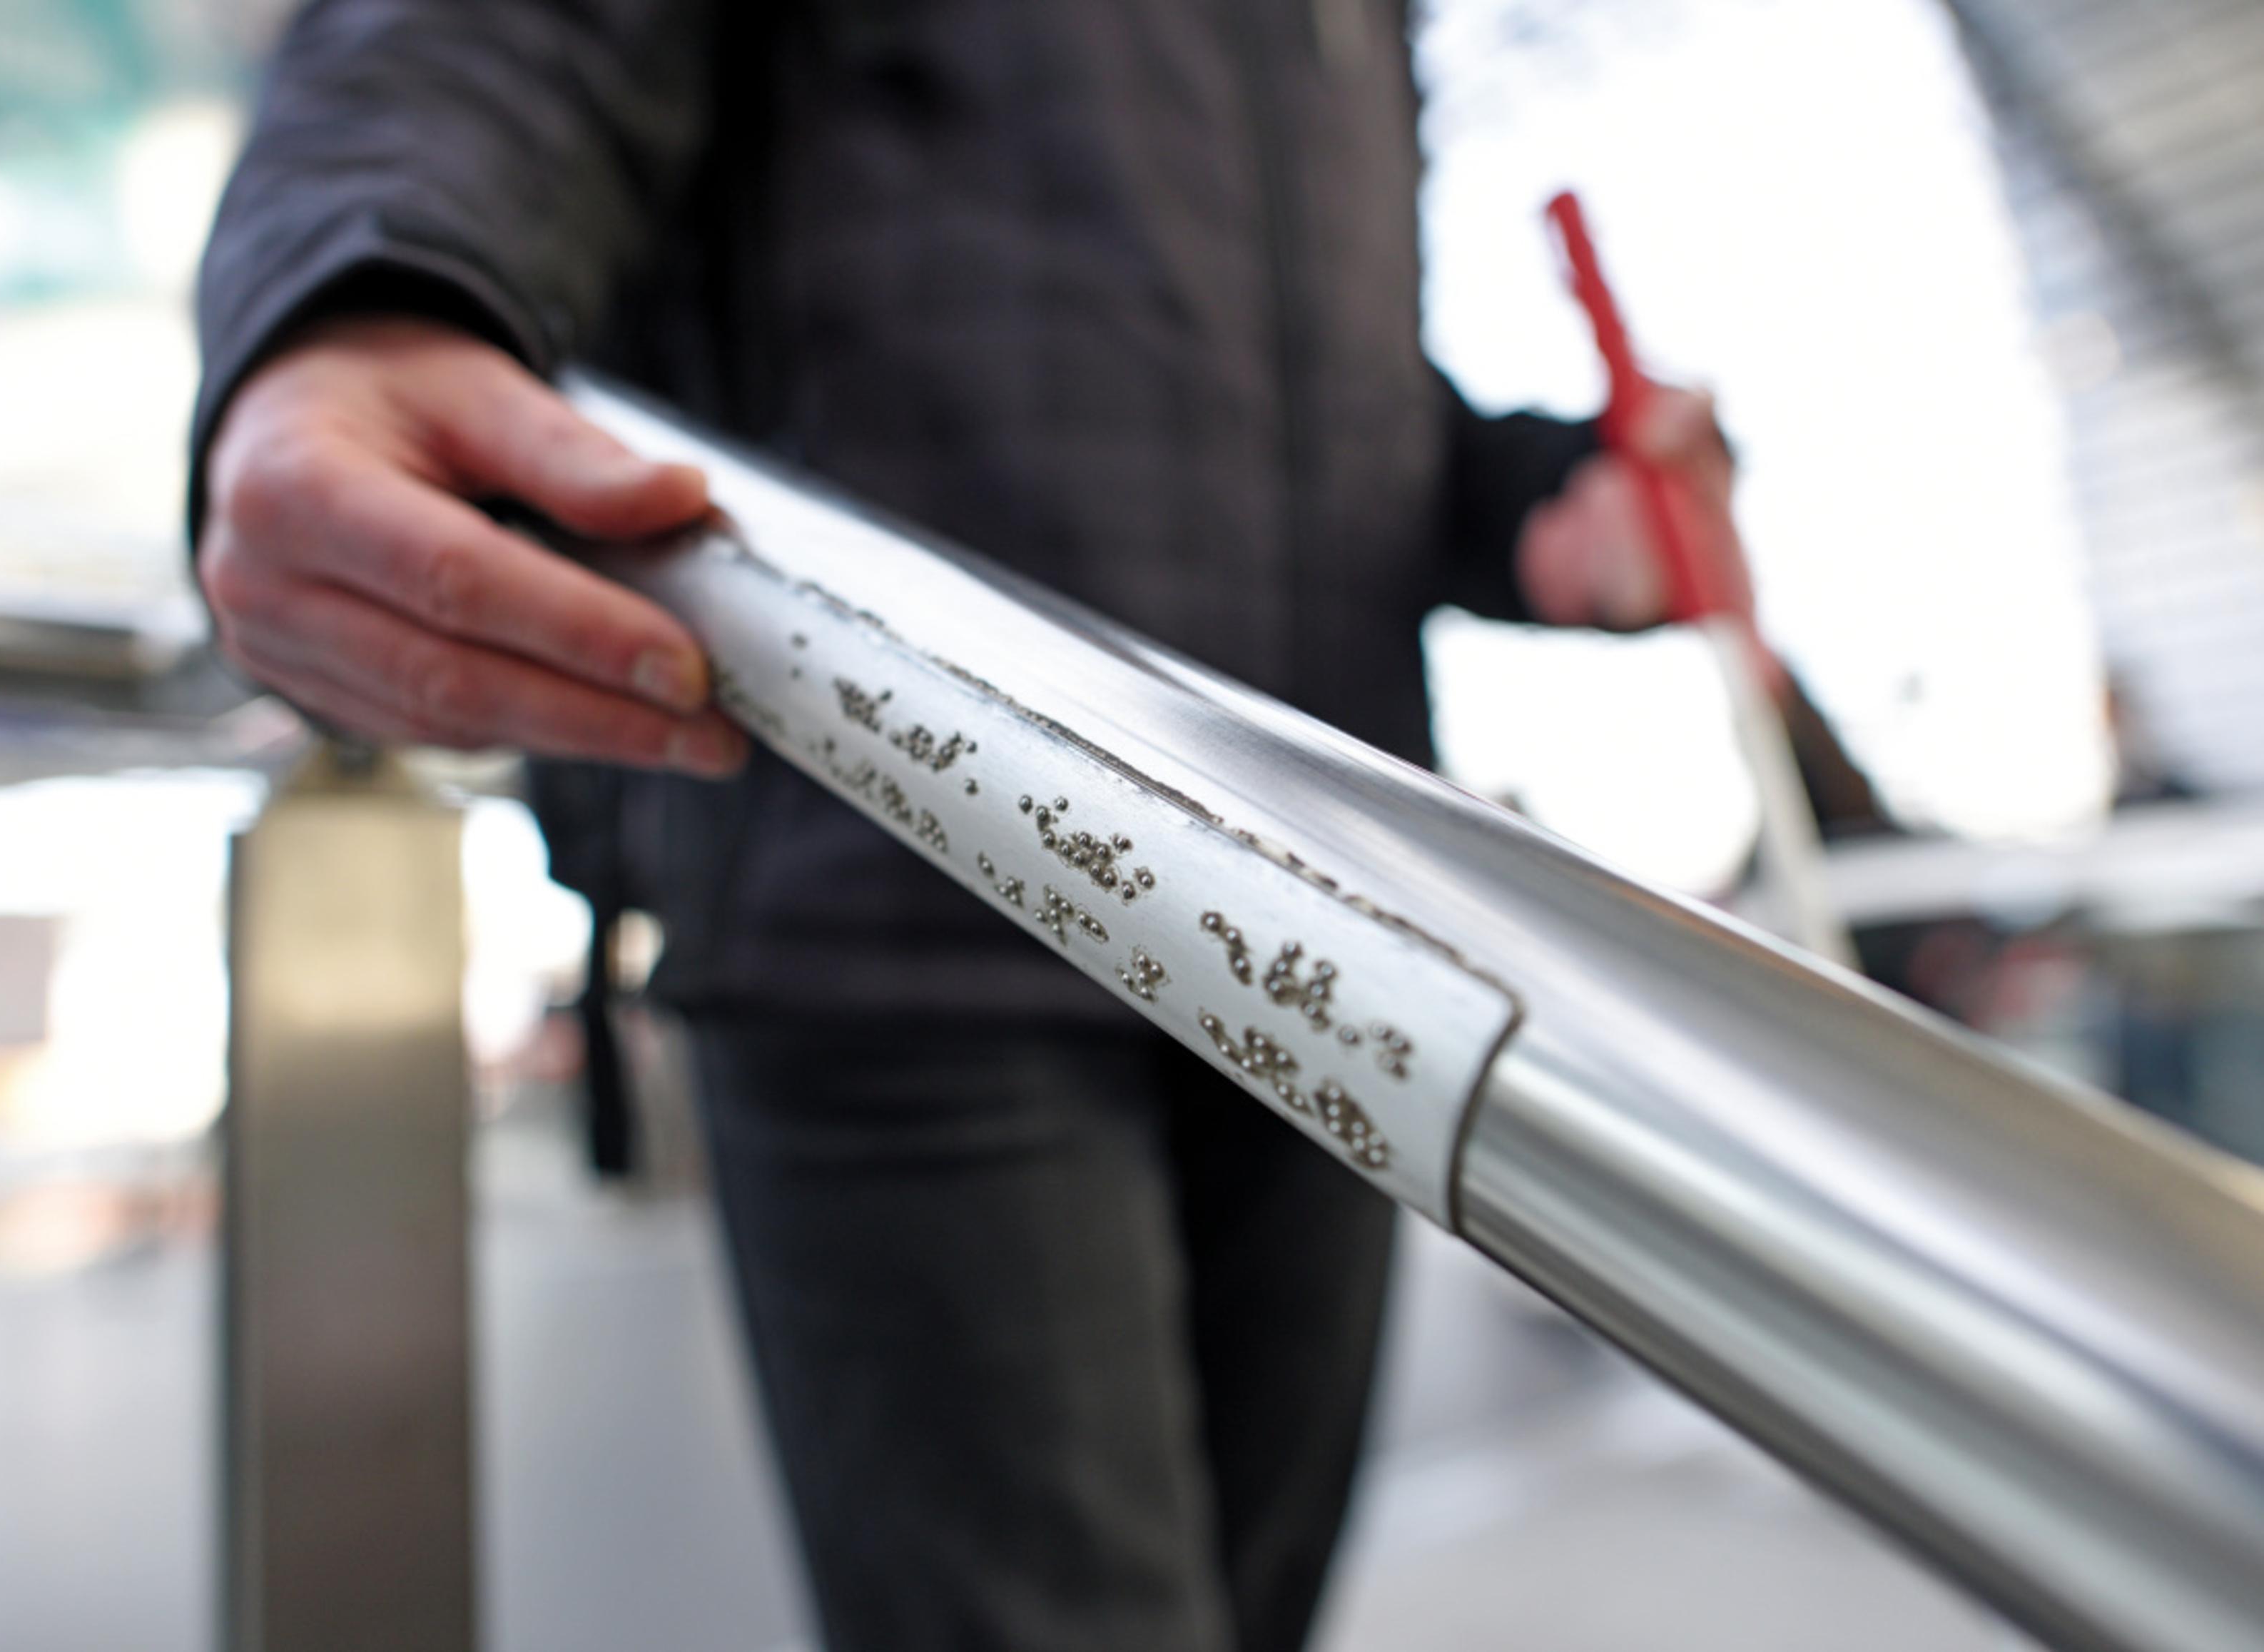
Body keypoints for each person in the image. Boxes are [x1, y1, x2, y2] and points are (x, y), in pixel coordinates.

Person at [191, 4, 1746, 1648]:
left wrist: (1538, 511)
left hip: (1319, 930)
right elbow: (493, 40)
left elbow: (1287, 394)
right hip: (904, 906)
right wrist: (358, 290)